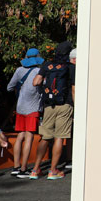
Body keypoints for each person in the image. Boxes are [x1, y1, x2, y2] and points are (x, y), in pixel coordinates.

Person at [28, 41, 75, 180]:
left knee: (45, 137)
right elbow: (73, 89)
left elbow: (35, 82)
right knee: (59, 137)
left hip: (49, 105)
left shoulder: (46, 65)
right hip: (65, 104)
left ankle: (35, 170)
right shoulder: (70, 67)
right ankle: (53, 170)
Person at [7, 47, 44, 178]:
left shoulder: (19, 70)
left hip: (20, 108)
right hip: (32, 108)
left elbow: (9, 87)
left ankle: (16, 167)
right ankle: (24, 169)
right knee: (29, 137)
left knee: (20, 136)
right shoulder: (39, 71)